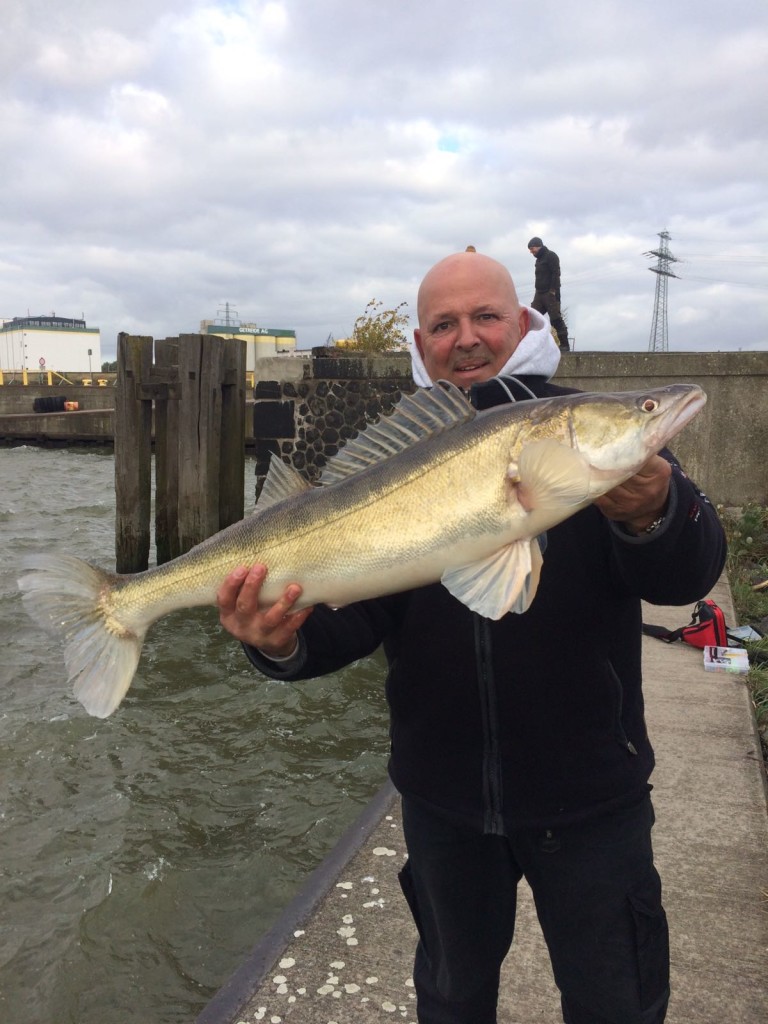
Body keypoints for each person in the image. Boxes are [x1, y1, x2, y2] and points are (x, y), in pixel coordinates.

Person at [217, 251, 726, 1024]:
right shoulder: (395, 454)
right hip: (442, 801)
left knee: (617, 1001)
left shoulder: (588, 434)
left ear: (523, 324)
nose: (466, 338)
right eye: (443, 324)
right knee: (451, 1000)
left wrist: (654, 509)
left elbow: (685, 575)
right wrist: (277, 642)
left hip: (591, 798)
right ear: (420, 346)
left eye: (486, 316)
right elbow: (351, 619)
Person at [528, 236, 570, 352]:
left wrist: (552, 291)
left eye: (532, 249)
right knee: (531, 318)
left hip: (550, 293)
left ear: (538, 246)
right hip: (539, 293)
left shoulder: (551, 256)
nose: (531, 252)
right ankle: (533, 345)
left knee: (555, 319)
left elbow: (556, 274)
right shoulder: (538, 260)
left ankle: (565, 345)